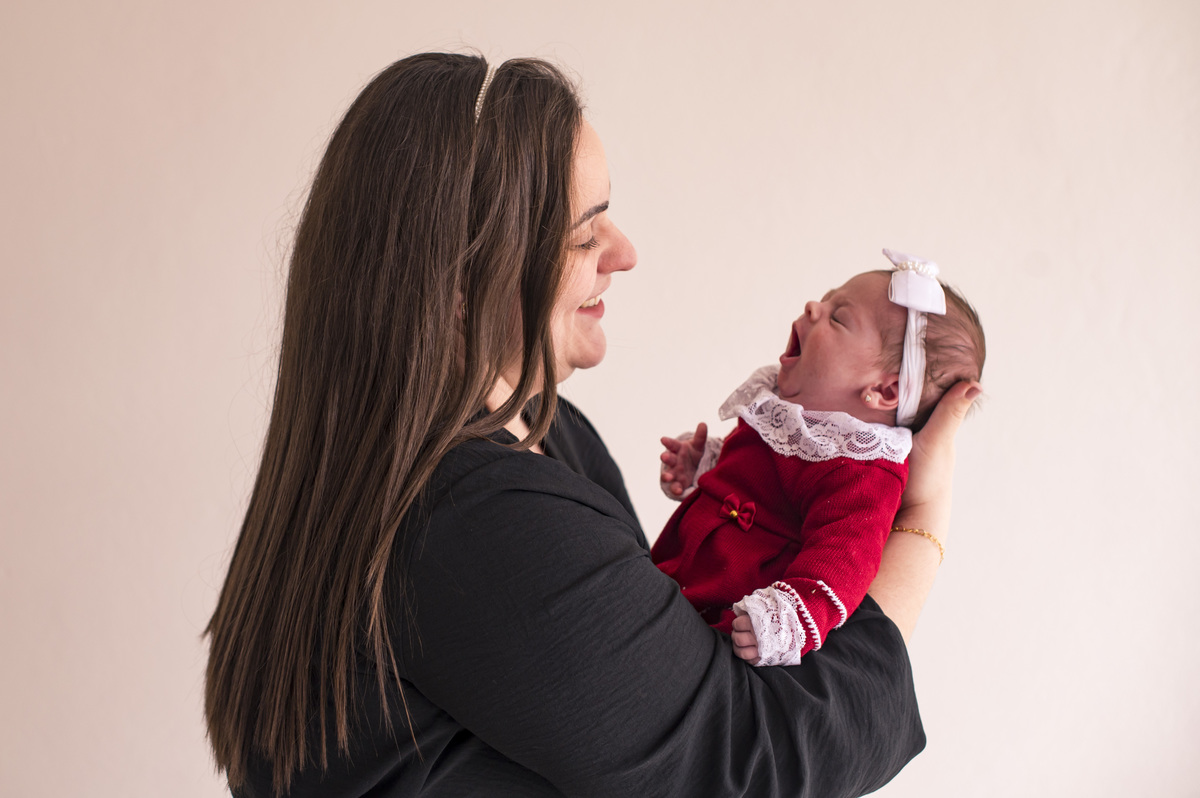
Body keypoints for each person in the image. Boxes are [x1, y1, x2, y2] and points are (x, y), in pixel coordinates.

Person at [204, 52, 981, 798]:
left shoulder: (545, 431)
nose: (625, 254)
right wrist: (920, 515)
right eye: (584, 234)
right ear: (461, 281)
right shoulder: (477, 521)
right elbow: (749, 765)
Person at [654, 255, 985, 666]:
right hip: (672, 579)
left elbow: (845, 558)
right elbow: (754, 480)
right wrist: (704, 467)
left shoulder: (864, 468)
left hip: (723, 628)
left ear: (883, 391)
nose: (813, 307)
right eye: (826, 301)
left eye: (838, 318)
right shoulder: (787, 416)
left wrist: (786, 619)